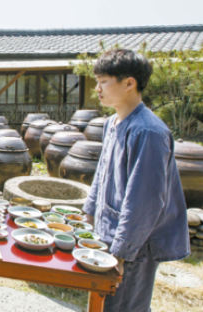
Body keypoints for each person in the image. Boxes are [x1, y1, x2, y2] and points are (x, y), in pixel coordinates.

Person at [82, 49, 190, 312]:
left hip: (136, 243)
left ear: (129, 83)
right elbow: (103, 174)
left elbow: (145, 200)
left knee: (126, 306)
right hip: (109, 233)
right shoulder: (112, 123)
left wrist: (121, 252)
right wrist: (88, 212)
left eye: (103, 81)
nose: (97, 88)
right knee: (103, 303)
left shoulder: (148, 131)